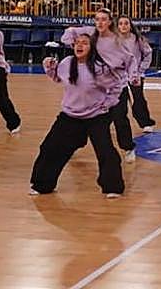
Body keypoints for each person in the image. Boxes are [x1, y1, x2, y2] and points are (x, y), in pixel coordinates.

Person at [30, 33, 127, 197]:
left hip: (96, 116)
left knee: (105, 151)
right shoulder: (67, 63)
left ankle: (113, 187)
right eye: (77, 43)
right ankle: (42, 185)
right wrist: (50, 68)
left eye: (85, 43)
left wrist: (107, 104)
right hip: (70, 115)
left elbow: (117, 86)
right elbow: (58, 78)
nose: (79, 46)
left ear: (92, 48)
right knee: (50, 148)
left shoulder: (99, 67)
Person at [61, 10, 137, 163]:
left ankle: (128, 147)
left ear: (109, 22)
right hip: (96, 87)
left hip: (116, 86)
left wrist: (133, 76)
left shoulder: (117, 40)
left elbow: (130, 60)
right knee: (90, 119)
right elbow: (68, 35)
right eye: (97, 19)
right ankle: (76, 143)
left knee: (120, 118)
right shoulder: (90, 33)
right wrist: (75, 41)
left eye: (104, 20)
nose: (100, 23)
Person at [115, 15, 157, 136]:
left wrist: (140, 70)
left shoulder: (137, 39)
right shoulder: (113, 40)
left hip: (135, 74)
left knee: (138, 98)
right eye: (121, 23)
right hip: (118, 76)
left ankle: (146, 123)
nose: (123, 26)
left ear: (130, 25)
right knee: (118, 101)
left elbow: (148, 54)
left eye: (126, 23)